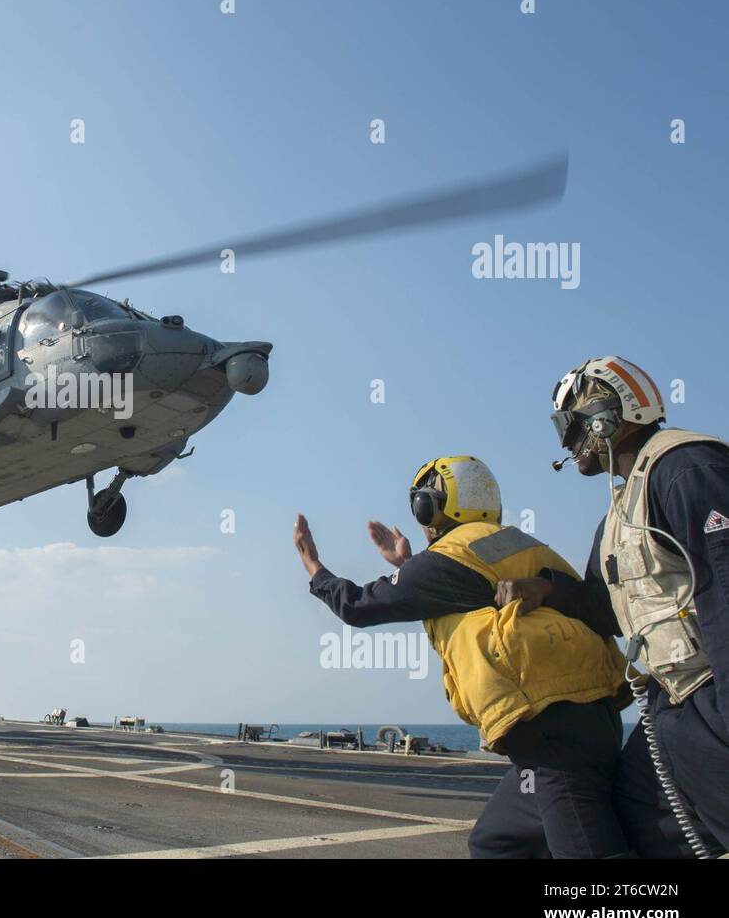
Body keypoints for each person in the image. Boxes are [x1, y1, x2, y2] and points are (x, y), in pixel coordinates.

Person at [294, 455, 632, 858]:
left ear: (431, 505)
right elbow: (465, 590)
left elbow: (358, 606)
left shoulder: (452, 556)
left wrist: (314, 567)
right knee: (497, 842)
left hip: (553, 731)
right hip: (589, 716)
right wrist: (409, 564)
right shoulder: (522, 545)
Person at [499, 356, 729, 858]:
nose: (566, 442)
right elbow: (605, 611)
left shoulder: (687, 468)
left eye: (570, 425)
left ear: (607, 415)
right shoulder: (620, 513)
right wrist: (548, 591)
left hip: (712, 703)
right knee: (628, 825)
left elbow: (724, 596)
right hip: (670, 707)